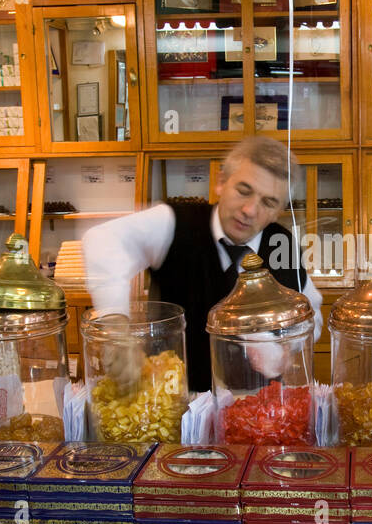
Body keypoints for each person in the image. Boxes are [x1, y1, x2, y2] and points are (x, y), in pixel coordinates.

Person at [84, 136, 323, 392]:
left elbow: (312, 314)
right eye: (243, 191)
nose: (250, 210)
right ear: (220, 182)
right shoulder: (176, 223)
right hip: (177, 402)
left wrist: (286, 345)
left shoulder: (281, 243)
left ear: (279, 211)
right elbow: (103, 239)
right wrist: (116, 327)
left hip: (255, 406)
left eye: (268, 202)